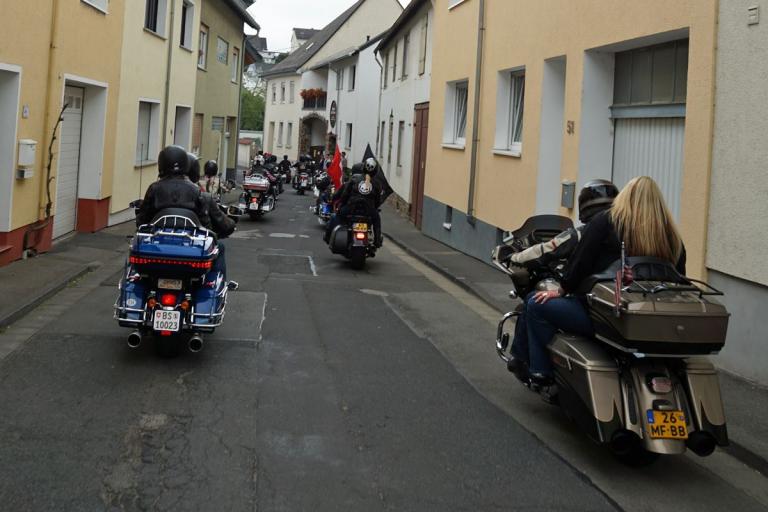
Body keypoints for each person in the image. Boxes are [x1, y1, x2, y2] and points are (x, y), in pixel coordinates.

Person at [525, 176, 686, 385]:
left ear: (625, 197)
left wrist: (562, 289)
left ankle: (540, 372)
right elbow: (679, 277)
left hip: (609, 316)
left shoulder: (607, 221)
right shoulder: (671, 235)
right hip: (654, 321)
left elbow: (581, 262)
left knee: (535, 304)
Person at [506, 180, 619, 377]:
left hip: (590, 305)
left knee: (534, 302)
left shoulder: (586, 232)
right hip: (614, 306)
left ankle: (536, 369)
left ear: (585, 206)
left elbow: (548, 249)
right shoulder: (628, 231)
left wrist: (514, 257)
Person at [136, 145, 235, 280]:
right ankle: (218, 281)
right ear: (185, 164)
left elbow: (142, 220)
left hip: (158, 247)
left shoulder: (154, 188)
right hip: (191, 249)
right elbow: (206, 222)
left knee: (135, 251)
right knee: (219, 248)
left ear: (161, 164)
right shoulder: (196, 191)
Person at [325, 158, 383, 247]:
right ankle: (377, 240)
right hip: (368, 211)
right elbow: (378, 201)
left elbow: (345, 194)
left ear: (364, 167)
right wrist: (374, 208)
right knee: (377, 220)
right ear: (375, 171)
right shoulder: (377, 183)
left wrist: (341, 204)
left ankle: (328, 237)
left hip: (351, 209)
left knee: (336, 216)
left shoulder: (354, 178)